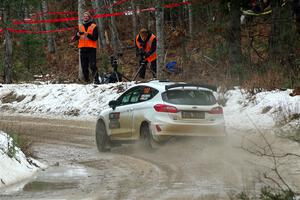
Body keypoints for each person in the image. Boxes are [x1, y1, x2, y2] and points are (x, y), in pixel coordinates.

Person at [73, 11, 100, 84]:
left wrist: (87, 34)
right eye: (84, 16)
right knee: (84, 66)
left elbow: (95, 38)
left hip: (91, 49)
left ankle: (96, 80)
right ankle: (87, 81)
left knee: (93, 65)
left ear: (89, 17)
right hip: (82, 49)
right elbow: (74, 39)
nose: (85, 18)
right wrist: (77, 35)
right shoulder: (79, 26)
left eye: (86, 16)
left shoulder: (94, 26)